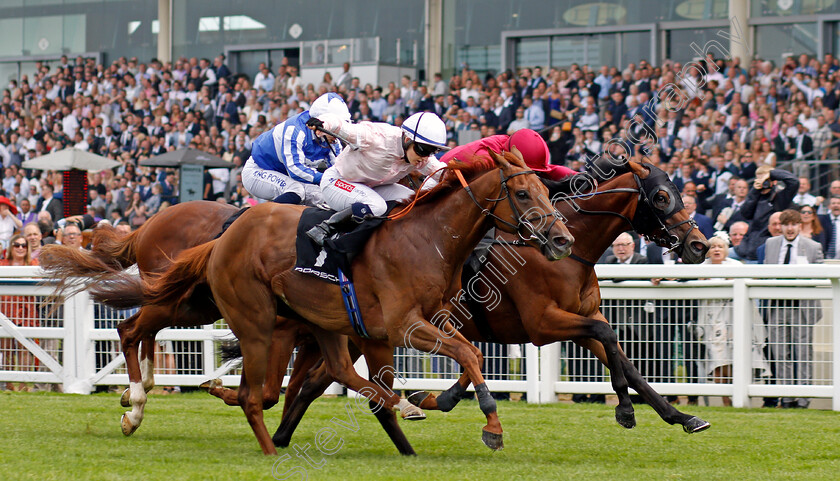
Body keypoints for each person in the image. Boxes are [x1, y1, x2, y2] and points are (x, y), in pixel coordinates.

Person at [305, 111, 449, 246]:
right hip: (337, 181)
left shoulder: (421, 158)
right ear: (407, 139)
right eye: (423, 150)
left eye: (432, 152)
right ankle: (325, 228)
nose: (425, 157)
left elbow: (443, 173)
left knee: (414, 201)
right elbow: (344, 127)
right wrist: (324, 123)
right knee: (377, 206)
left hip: (370, 188)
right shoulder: (378, 137)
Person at [241, 93, 349, 206]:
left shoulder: (333, 140)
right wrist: (328, 179)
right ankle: (259, 220)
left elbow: (338, 169)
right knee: (297, 190)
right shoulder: (295, 130)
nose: (337, 135)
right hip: (258, 171)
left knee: (322, 196)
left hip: (284, 174)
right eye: (335, 128)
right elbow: (295, 170)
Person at [762, 209, 823, 408]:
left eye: (793, 224)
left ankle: (803, 399)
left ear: (800, 225)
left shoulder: (813, 247)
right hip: (777, 305)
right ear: (781, 226)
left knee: (802, 352)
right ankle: (787, 397)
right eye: (786, 224)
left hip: (801, 306)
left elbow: (820, 276)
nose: (789, 229)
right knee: (780, 353)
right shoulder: (771, 244)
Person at [440, 128, 577, 181]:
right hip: (444, 173)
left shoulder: (512, 146)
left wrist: (580, 176)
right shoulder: (486, 160)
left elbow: (551, 170)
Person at [734, 165, 799, 262]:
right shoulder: (755, 195)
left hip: (768, 248)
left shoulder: (780, 197)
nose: (763, 182)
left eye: (766, 179)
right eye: (759, 179)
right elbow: (745, 213)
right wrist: (754, 191)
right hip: (749, 247)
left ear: (774, 180)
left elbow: (794, 182)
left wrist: (772, 174)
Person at [0, 234, 39, 391]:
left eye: (24, 245)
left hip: (26, 310)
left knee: (25, 348)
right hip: (5, 310)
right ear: (11, 247)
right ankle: (9, 383)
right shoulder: (3, 264)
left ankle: (23, 383)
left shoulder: (33, 264)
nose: (21, 248)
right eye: (17, 245)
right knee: (6, 347)